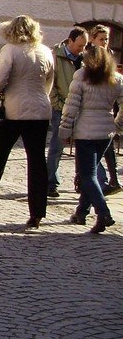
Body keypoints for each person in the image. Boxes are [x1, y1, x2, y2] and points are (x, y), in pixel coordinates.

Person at [0, 15, 54, 230]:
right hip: (40, 110)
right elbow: (49, 82)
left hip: (15, 111)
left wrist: (4, 89)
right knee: (37, 162)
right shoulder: (45, 51)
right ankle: (38, 212)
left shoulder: (10, 49)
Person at [59, 47, 123, 234]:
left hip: (85, 132)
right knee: (91, 173)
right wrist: (117, 125)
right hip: (105, 132)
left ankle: (103, 212)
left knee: (87, 175)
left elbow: (71, 106)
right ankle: (81, 212)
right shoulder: (116, 79)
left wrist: (65, 129)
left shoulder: (81, 76)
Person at [47, 27, 88, 197]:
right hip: (61, 108)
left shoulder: (84, 59)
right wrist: (58, 105)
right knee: (57, 145)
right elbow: (51, 85)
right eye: (79, 45)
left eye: (84, 46)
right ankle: (50, 182)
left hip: (81, 108)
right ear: (70, 41)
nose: (82, 49)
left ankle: (80, 181)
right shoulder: (56, 56)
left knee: (82, 146)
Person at [87, 25, 120, 194]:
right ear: (92, 39)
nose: (104, 42)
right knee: (94, 149)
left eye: (106, 39)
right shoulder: (88, 56)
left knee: (108, 146)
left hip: (107, 106)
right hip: (90, 107)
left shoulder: (110, 55)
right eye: (101, 39)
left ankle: (112, 179)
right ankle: (99, 181)